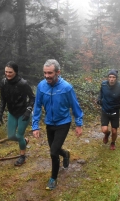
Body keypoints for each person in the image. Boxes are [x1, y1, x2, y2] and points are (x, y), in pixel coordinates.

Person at [32, 59, 83, 190]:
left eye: (50, 73)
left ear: (58, 72)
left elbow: (75, 106)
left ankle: (53, 178)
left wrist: (79, 124)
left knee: (53, 152)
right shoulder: (41, 86)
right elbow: (37, 106)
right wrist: (35, 126)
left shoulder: (66, 87)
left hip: (63, 123)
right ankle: (65, 154)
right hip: (49, 123)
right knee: (55, 149)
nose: (47, 76)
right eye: (45, 73)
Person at [0, 61, 35, 166]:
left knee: (19, 135)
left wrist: (28, 110)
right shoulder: (3, 83)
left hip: (24, 113)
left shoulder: (23, 83)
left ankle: (22, 156)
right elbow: (3, 100)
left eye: (10, 72)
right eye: (6, 72)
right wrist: (0, 113)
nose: (8, 74)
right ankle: (25, 140)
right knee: (11, 136)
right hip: (12, 113)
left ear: (16, 72)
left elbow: (32, 98)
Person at [97, 69, 120, 150]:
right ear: (108, 78)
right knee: (104, 130)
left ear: (116, 78)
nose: (111, 79)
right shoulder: (103, 85)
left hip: (115, 111)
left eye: (113, 77)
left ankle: (113, 143)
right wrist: (99, 99)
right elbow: (101, 93)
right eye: (110, 77)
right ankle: (107, 134)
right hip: (105, 110)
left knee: (114, 131)